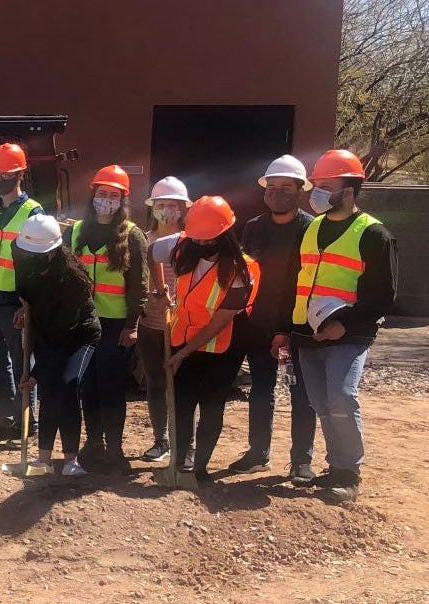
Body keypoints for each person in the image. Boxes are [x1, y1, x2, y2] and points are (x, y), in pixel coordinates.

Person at [286, 149, 397, 503]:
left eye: (324, 185)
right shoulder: (312, 227)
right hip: (307, 332)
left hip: (348, 333)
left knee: (341, 397)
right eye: (315, 184)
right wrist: (285, 330)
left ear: (348, 190)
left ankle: (349, 471)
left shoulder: (374, 234)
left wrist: (344, 325)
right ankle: (335, 467)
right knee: (320, 400)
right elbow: (298, 281)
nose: (315, 191)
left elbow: (384, 294)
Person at [233, 155, 317, 480]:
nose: (276, 193)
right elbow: (246, 276)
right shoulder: (254, 228)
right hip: (259, 329)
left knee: (298, 391)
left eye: (286, 187)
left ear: (299, 191)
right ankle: (258, 453)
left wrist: (286, 329)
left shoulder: (311, 230)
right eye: (272, 186)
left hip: (294, 333)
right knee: (262, 389)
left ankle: (301, 461)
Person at [167, 196, 260, 484]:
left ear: (225, 234)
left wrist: (183, 354)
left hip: (222, 347)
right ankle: (180, 459)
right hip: (182, 339)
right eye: (197, 239)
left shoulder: (241, 270)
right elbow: (152, 251)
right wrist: (161, 292)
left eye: (208, 240)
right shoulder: (186, 248)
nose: (201, 244)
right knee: (181, 402)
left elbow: (221, 320)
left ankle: (200, 468)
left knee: (211, 404)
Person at [71, 165, 148, 471]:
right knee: (87, 385)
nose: (107, 199)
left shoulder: (131, 235)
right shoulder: (76, 230)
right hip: (83, 323)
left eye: (113, 195)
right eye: (102, 193)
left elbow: (139, 285)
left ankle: (114, 449)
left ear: (122, 199)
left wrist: (132, 325)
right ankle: (93, 444)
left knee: (111, 387)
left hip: (115, 325)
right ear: (93, 195)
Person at [11, 214, 100, 477]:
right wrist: (24, 309)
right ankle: (43, 460)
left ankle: (72, 460)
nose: (32, 256)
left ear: (54, 249)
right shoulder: (21, 251)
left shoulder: (72, 280)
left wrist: (36, 374)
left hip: (79, 335)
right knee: (51, 390)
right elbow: (27, 294)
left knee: (67, 384)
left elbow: (63, 335)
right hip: (47, 328)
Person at [0, 143, 45, 441]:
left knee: (23, 362)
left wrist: (28, 303)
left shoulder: (32, 211)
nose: (0, 177)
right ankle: (3, 420)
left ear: (20, 174)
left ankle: (29, 422)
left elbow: (39, 262)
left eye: (6, 172)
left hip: (15, 300)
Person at [136, 175, 189, 463]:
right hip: (151, 326)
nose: (166, 209)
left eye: (172, 204)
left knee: (183, 385)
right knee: (156, 383)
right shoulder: (145, 241)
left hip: (184, 327)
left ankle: (185, 444)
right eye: (161, 204)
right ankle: (161, 440)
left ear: (183, 208)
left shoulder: (193, 241)